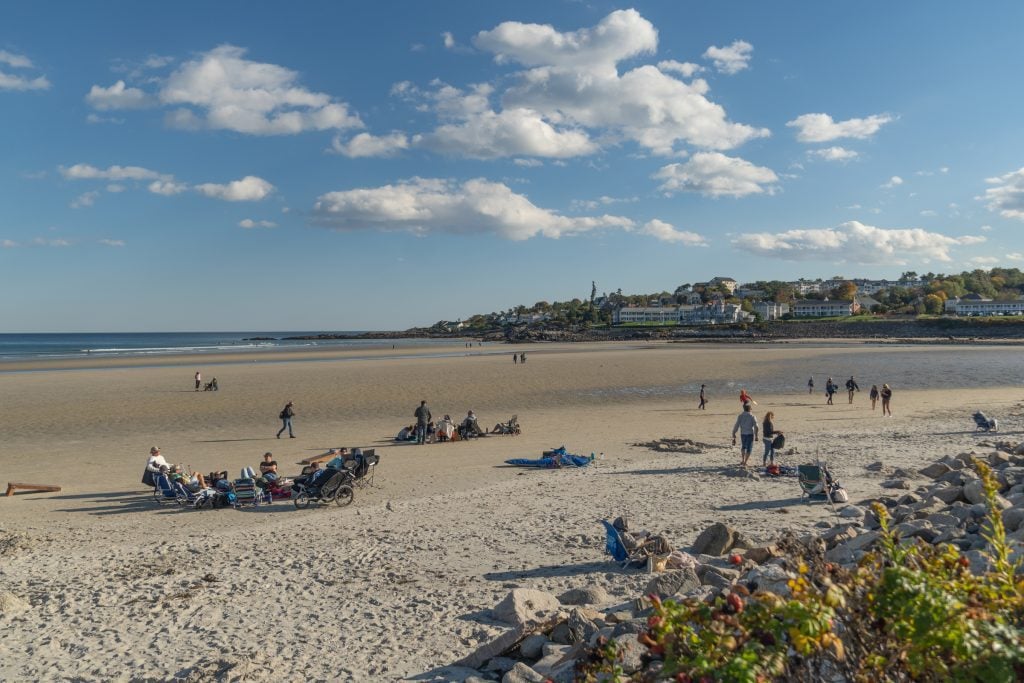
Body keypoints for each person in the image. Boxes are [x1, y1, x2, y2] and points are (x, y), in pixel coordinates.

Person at [731, 402, 759, 468]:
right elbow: (756, 426)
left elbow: (736, 425)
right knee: (749, 448)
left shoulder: (740, 416)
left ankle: (743, 460)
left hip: (743, 434)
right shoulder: (752, 416)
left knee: (743, 447)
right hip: (750, 434)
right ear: (749, 409)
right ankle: (745, 462)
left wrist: (734, 433)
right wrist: (756, 435)